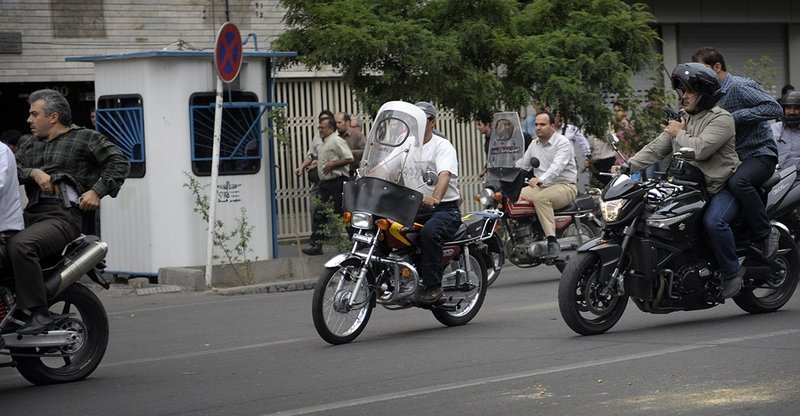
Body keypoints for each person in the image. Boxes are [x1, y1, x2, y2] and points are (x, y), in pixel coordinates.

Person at [9, 89, 129, 334]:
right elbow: (11, 168)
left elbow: (119, 161)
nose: (29, 120)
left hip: (62, 217)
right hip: (30, 214)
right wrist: (33, 172)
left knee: (21, 246)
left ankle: (38, 314)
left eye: (34, 114)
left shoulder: (85, 138)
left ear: (53, 117)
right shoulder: (30, 144)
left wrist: (96, 191)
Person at [622, 63, 741, 299]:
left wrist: (677, 132)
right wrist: (629, 165)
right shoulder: (684, 118)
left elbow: (700, 150)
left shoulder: (722, 119)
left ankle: (732, 273)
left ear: (705, 95)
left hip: (720, 188)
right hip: (689, 187)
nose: (683, 96)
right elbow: (658, 147)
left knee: (714, 222)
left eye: (689, 91)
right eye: (682, 91)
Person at [692, 47, 782, 261]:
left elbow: (774, 109)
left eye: (704, 69)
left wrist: (736, 116)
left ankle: (766, 233)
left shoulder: (739, 86)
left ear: (717, 67)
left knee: (739, 182)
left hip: (759, 154)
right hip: (732, 161)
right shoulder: (709, 95)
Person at [410, 101, 462, 304]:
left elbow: (445, 174)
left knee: (429, 233)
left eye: (422, 118)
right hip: (413, 206)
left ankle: (433, 286)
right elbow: (385, 167)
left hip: (444, 208)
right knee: (385, 229)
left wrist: (436, 198)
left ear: (432, 121)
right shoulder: (405, 145)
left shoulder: (442, 145)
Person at [516, 111, 578, 258]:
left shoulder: (563, 143)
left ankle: (552, 240)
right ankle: (525, 231)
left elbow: (557, 167)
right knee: (513, 197)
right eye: (536, 124)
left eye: (542, 124)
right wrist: (504, 171)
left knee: (541, 199)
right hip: (541, 186)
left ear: (552, 126)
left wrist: (541, 179)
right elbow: (523, 165)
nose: (538, 127)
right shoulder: (533, 144)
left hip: (564, 185)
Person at [302, 116, 353, 256]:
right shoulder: (325, 142)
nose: (320, 130)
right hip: (325, 183)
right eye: (319, 127)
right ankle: (316, 245)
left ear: (330, 128)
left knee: (341, 212)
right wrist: (318, 164)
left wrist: (333, 164)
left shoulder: (336, 140)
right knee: (319, 212)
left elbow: (349, 158)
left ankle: (354, 242)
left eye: (322, 127)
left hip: (336, 182)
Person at [772, 90, 800, 169]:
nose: (792, 112)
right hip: (777, 176)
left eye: (796, 108)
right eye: (788, 108)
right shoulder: (773, 129)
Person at [334, 112, 366, 178]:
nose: (337, 125)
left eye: (339, 123)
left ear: (347, 122)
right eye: (336, 123)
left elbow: (366, 151)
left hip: (354, 174)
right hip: (340, 175)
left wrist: (350, 152)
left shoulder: (357, 135)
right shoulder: (336, 137)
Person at [475, 110, 493, 179]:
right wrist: (484, 170)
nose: (477, 128)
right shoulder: (488, 138)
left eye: (479, 125)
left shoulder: (494, 139)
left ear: (487, 124)